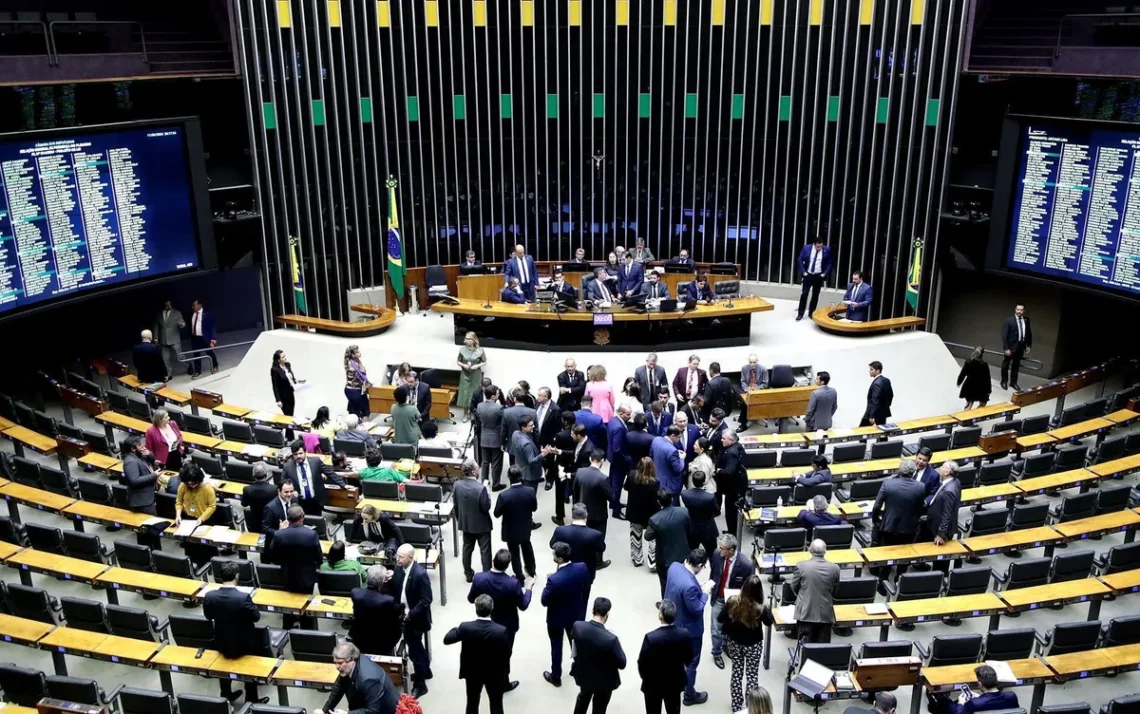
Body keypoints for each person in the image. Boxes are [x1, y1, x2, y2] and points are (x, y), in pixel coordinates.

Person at [203, 560, 266, 704]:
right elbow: (256, 617)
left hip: (221, 642)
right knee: (255, 647)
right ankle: (251, 698)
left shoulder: (210, 597)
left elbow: (208, 616)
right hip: (244, 645)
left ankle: (226, 694)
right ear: (237, 575)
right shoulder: (243, 598)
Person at [468, 549, 533, 690]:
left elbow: (471, 598)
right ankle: (503, 683)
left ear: (493, 561)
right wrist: (528, 589)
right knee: (504, 656)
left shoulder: (479, 578)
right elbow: (523, 605)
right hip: (506, 626)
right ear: (507, 565)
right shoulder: (513, 583)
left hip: (485, 623)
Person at [446, 594, 512, 714]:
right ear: (492, 608)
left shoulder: (466, 628)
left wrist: (457, 629)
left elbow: (447, 639)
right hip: (494, 673)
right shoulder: (501, 631)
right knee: (496, 704)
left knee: (472, 703)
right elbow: (507, 653)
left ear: (476, 609)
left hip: (472, 673)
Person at [719, 575, 774, 713]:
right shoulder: (760, 608)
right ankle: (752, 707)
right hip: (753, 645)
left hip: (735, 643)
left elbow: (720, 618)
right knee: (752, 676)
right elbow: (769, 622)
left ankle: (737, 706)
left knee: (736, 673)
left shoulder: (733, 602)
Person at [664, 548, 712, 706]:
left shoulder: (674, 567)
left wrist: (698, 587)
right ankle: (689, 695)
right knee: (691, 662)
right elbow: (696, 608)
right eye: (703, 566)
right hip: (690, 630)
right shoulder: (690, 586)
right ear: (699, 565)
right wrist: (704, 592)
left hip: (673, 621)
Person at [870, 460, 926, 590]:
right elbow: (920, 507)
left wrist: (876, 521)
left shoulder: (888, 484)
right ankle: (900, 580)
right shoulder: (921, 486)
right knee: (904, 555)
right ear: (913, 472)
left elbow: (877, 506)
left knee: (887, 554)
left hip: (889, 525)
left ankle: (882, 580)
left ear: (899, 470)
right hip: (910, 527)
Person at [542, 540, 591, 687]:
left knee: (556, 645)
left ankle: (556, 676)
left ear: (559, 559)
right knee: (575, 642)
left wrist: (549, 582)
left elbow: (544, 601)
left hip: (556, 617)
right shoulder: (582, 567)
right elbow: (585, 585)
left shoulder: (553, 580)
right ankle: (579, 668)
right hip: (574, 613)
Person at [571, 597, 627, 714]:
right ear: (607, 615)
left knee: (583, 699)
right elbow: (622, 663)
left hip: (585, 674)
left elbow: (575, 647)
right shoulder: (611, 639)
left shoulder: (578, 626)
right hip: (604, 681)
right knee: (599, 707)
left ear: (592, 610)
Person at [708, 535, 756, 671]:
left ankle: (725, 645)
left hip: (734, 601)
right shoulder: (717, 555)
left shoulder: (746, 565)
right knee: (716, 628)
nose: (719, 550)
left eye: (722, 548)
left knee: (729, 627)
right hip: (718, 597)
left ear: (731, 550)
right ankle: (716, 652)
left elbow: (748, 587)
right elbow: (714, 573)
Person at [392, 543, 433, 698]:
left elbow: (426, 600)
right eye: (397, 556)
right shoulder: (398, 568)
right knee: (416, 647)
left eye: (401, 557)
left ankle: (420, 685)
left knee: (415, 651)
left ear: (411, 557)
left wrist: (410, 614)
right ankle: (426, 672)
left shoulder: (420, 574)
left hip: (416, 619)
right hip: (403, 614)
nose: (397, 559)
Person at [271, 504, 322, 629]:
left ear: (288, 519)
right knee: (305, 602)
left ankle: (288, 626)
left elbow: (272, 554)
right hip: (306, 577)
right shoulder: (311, 534)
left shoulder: (279, 534)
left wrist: (281, 530)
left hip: (287, 575)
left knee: (289, 601)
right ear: (302, 516)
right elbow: (318, 558)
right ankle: (307, 628)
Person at [639, 600, 693, 714]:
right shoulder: (684, 634)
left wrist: (646, 678)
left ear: (660, 615)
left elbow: (642, 664)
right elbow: (689, 659)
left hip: (653, 684)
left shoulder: (651, 637)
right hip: (674, 683)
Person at [316, 641, 400, 714]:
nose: (337, 667)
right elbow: (339, 687)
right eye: (335, 663)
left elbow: (373, 711)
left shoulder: (369, 679)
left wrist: (346, 713)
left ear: (352, 659)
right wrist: (325, 710)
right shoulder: (348, 667)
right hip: (362, 703)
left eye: (340, 663)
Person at [790, 539, 840, 643]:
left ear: (810, 550)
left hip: (805, 612)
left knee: (805, 648)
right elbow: (835, 589)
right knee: (821, 650)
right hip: (825, 613)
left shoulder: (801, 566)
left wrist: (802, 596)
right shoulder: (835, 568)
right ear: (825, 551)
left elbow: (794, 586)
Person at [646, 488, 693, 597]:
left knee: (664, 582)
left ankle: (666, 603)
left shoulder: (655, 519)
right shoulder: (683, 511)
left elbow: (648, 536)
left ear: (658, 502)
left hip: (664, 557)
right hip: (682, 552)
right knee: (681, 578)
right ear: (671, 499)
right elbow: (689, 528)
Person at [495, 466, 539, 580]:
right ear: (521, 476)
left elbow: (496, 513)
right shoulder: (530, 491)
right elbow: (534, 508)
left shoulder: (504, 495)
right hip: (525, 527)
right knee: (527, 547)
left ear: (509, 477)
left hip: (511, 530)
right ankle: (532, 570)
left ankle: (519, 576)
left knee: (514, 552)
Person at [281, 439, 346, 516]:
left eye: (300, 453)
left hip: (316, 500)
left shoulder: (316, 462)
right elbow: (283, 482)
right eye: (295, 454)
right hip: (299, 502)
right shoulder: (287, 467)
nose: (298, 456)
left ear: (305, 452)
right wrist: (291, 492)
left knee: (317, 521)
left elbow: (330, 473)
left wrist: (343, 485)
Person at [454, 458, 493, 581]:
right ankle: (487, 576)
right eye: (477, 469)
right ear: (473, 472)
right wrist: (488, 496)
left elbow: (455, 505)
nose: (479, 470)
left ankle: (468, 574)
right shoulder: (481, 489)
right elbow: (486, 507)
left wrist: (459, 519)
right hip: (482, 525)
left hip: (465, 523)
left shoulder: (456, 485)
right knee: (485, 552)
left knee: (467, 549)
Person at [551, 503, 609, 586]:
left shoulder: (560, 531)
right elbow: (601, 548)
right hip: (586, 572)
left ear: (572, 515)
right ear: (586, 515)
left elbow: (552, 545)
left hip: (565, 571)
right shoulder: (595, 535)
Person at [351, 565, 402, 656]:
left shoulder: (355, 593)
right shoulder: (388, 600)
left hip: (360, 639)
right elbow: (397, 613)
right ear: (384, 581)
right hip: (383, 643)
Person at [936, 664, 1018, 714]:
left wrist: (961, 703)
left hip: (968, 707)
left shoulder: (974, 703)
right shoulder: (1012, 696)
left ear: (980, 684)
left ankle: (940, 699)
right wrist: (980, 698)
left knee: (944, 703)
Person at [926, 461, 962, 573]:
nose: (940, 468)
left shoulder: (949, 490)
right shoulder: (954, 482)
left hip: (940, 528)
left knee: (940, 559)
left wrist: (941, 534)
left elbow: (947, 514)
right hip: (937, 524)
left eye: (942, 467)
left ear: (947, 472)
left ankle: (939, 577)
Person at [625, 456, 661, 569]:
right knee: (653, 538)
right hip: (650, 514)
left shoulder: (631, 475)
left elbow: (626, 488)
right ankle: (653, 561)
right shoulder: (655, 483)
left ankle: (637, 559)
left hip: (634, 512)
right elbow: (656, 500)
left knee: (635, 537)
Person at [573, 449, 613, 545]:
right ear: (602, 461)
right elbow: (612, 497)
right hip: (598, 516)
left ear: (590, 459)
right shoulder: (603, 478)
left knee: (584, 540)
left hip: (582, 512)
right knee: (598, 540)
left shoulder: (579, 472)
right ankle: (598, 560)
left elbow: (575, 490)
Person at [510, 416, 554, 496]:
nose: (533, 426)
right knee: (529, 498)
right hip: (529, 475)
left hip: (520, 469)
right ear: (523, 427)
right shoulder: (526, 443)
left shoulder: (515, 434)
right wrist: (543, 454)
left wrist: (536, 452)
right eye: (531, 425)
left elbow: (519, 451)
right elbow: (531, 461)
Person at [715, 430, 747, 536]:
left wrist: (719, 471)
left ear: (731, 440)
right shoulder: (737, 446)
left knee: (731, 511)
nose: (721, 440)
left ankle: (733, 533)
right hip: (738, 483)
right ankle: (732, 530)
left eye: (724, 438)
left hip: (733, 488)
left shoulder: (731, 453)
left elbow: (729, 472)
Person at [682, 471, 719, 559]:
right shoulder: (709, 497)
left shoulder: (685, 494)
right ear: (704, 481)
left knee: (691, 555)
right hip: (708, 529)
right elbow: (716, 511)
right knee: (712, 555)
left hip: (692, 528)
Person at [476, 386, 506, 488]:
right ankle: (496, 484)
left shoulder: (479, 406)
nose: (498, 395)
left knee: (485, 462)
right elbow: (503, 423)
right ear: (493, 396)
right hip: (496, 439)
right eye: (497, 394)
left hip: (484, 437)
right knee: (496, 463)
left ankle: (484, 482)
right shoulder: (499, 408)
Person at [796, 238, 832, 321]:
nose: (819, 248)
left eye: (821, 246)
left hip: (818, 276)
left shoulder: (826, 250)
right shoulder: (806, 248)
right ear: (814, 244)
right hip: (808, 275)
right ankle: (800, 313)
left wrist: (824, 273)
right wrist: (803, 272)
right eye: (818, 246)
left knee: (815, 295)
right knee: (804, 294)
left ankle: (811, 313)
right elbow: (800, 259)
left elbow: (830, 262)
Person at [536, 386, 563, 489]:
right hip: (536, 437)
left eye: (540, 395)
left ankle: (549, 480)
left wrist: (552, 442)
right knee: (539, 458)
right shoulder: (538, 404)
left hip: (548, 439)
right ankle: (540, 474)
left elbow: (557, 428)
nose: (538, 397)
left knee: (549, 461)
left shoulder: (555, 409)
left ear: (546, 397)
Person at [1000, 305, 1031, 391]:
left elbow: (1029, 333)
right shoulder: (1009, 320)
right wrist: (1006, 348)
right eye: (1018, 309)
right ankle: (1004, 381)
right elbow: (1004, 335)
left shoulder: (1026, 320)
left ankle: (1013, 382)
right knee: (1006, 365)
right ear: (1015, 310)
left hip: (1020, 347)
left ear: (1024, 311)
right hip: (1010, 348)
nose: (1019, 311)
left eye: (1021, 310)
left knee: (1016, 366)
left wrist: (1028, 345)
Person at [456, 332, 487, 422]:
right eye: (465, 338)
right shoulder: (462, 349)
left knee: (474, 393)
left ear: (473, 340)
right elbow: (458, 361)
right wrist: (464, 365)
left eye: (468, 338)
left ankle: (472, 412)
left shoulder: (480, 350)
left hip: (475, 374)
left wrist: (476, 366)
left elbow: (484, 362)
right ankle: (465, 413)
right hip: (465, 374)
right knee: (464, 394)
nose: (466, 340)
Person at [154, 299, 185, 380]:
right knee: (165, 359)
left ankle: (188, 366)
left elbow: (182, 322)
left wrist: (181, 324)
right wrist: (156, 339)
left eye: (170, 305)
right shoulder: (159, 314)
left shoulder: (177, 313)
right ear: (164, 305)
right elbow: (156, 327)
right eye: (167, 305)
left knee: (180, 357)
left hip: (174, 339)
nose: (169, 307)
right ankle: (169, 374)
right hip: (163, 341)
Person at [651, 425, 686, 500]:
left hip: (656, 478)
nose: (679, 440)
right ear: (673, 435)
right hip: (669, 484)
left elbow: (651, 454)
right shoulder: (672, 450)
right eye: (679, 437)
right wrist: (682, 459)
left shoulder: (656, 439)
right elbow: (678, 468)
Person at [270, 349, 301, 422]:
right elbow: (275, 386)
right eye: (283, 357)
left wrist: (295, 381)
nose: (285, 358)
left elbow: (291, 376)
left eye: (285, 356)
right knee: (288, 417)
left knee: (290, 416)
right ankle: (289, 432)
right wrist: (278, 400)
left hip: (291, 394)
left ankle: (289, 432)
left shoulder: (288, 364)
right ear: (278, 360)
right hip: (283, 397)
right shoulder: (275, 370)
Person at [860, 361, 893, 427]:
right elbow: (891, 395)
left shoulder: (876, 383)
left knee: (861, 431)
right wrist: (885, 406)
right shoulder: (886, 380)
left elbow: (875, 400)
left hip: (873, 413)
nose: (870, 371)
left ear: (877, 370)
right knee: (882, 432)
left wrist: (872, 416)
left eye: (872, 369)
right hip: (883, 413)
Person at [343, 345, 371, 419]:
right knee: (363, 411)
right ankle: (361, 428)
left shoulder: (354, 361)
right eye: (357, 352)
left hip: (354, 389)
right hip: (354, 390)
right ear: (353, 354)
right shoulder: (353, 365)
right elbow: (361, 377)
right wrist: (369, 384)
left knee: (358, 409)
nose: (359, 353)